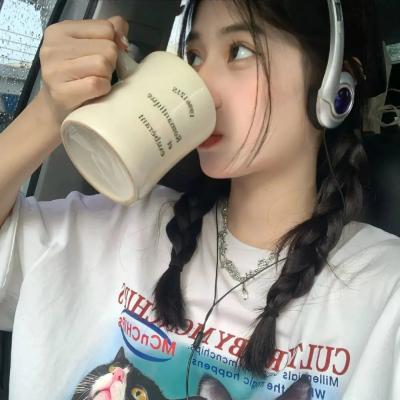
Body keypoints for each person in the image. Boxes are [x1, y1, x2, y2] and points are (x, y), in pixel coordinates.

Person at [0, 0, 399, 399]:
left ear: (333, 86)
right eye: (194, 56)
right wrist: (48, 113)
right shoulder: (119, 225)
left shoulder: (385, 292)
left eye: (239, 51)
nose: (201, 85)